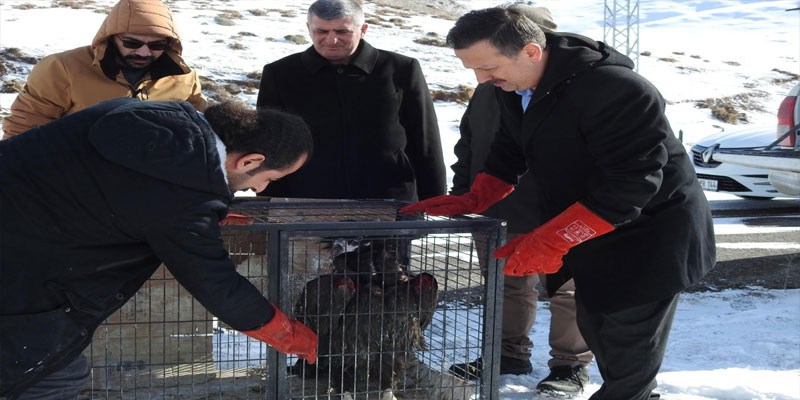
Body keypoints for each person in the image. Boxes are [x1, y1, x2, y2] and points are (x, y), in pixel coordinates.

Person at [401, 6, 716, 400]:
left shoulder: (618, 90)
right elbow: (510, 147)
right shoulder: (517, 87)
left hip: (649, 236)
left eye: (487, 67)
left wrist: (553, 239)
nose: (481, 79)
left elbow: (633, 183)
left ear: (531, 51)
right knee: (599, 326)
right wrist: (480, 192)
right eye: (473, 69)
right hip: (598, 228)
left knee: (629, 344)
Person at [0, 99, 317, 399]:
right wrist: (287, 334)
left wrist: (204, 216)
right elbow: (216, 283)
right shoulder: (182, 198)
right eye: (269, 178)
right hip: (20, 282)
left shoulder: (148, 119)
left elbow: (119, 192)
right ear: (249, 160)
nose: (259, 189)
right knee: (52, 376)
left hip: (19, 238)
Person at [446, 5, 593, 397]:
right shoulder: (487, 87)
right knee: (505, 286)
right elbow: (470, 144)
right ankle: (508, 354)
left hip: (557, 211)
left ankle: (569, 365)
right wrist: (466, 194)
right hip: (496, 208)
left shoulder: (577, 87)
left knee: (566, 290)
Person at [256, 0, 446, 202]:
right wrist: (269, 198)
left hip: (390, 198)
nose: (332, 40)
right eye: (322, 31)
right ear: (308, 29)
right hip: (306, 199)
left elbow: (424, 137)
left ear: (363, 29)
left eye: (342, 31)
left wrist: (434, 197)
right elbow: (267, 140)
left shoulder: (401, 68)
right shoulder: (280, 73)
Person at [1, 0, 207, 139]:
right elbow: (24, 128)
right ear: (111, 37)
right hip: (74, 176)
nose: (144, 53)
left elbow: (201, 129)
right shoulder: (62, 68)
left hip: (148, 181)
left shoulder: (184, 77)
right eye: (132, 43)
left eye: (156, 46)